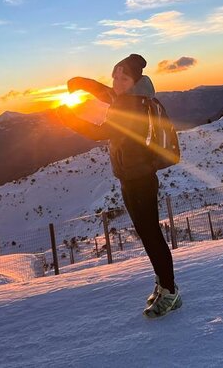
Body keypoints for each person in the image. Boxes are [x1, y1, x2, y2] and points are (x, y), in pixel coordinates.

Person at [56, 53, 182, 318]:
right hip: (133, 177)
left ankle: (170, 291)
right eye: (115, 76)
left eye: (123, 78)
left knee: (151, 236)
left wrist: (67, 118)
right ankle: (165, 284)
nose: (117, 82)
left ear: (134, 82)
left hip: (140, 180)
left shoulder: (131, 106)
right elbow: (106, 92)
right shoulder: (131, 97)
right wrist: (82, 83)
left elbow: (99, 132)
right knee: (148, 235)